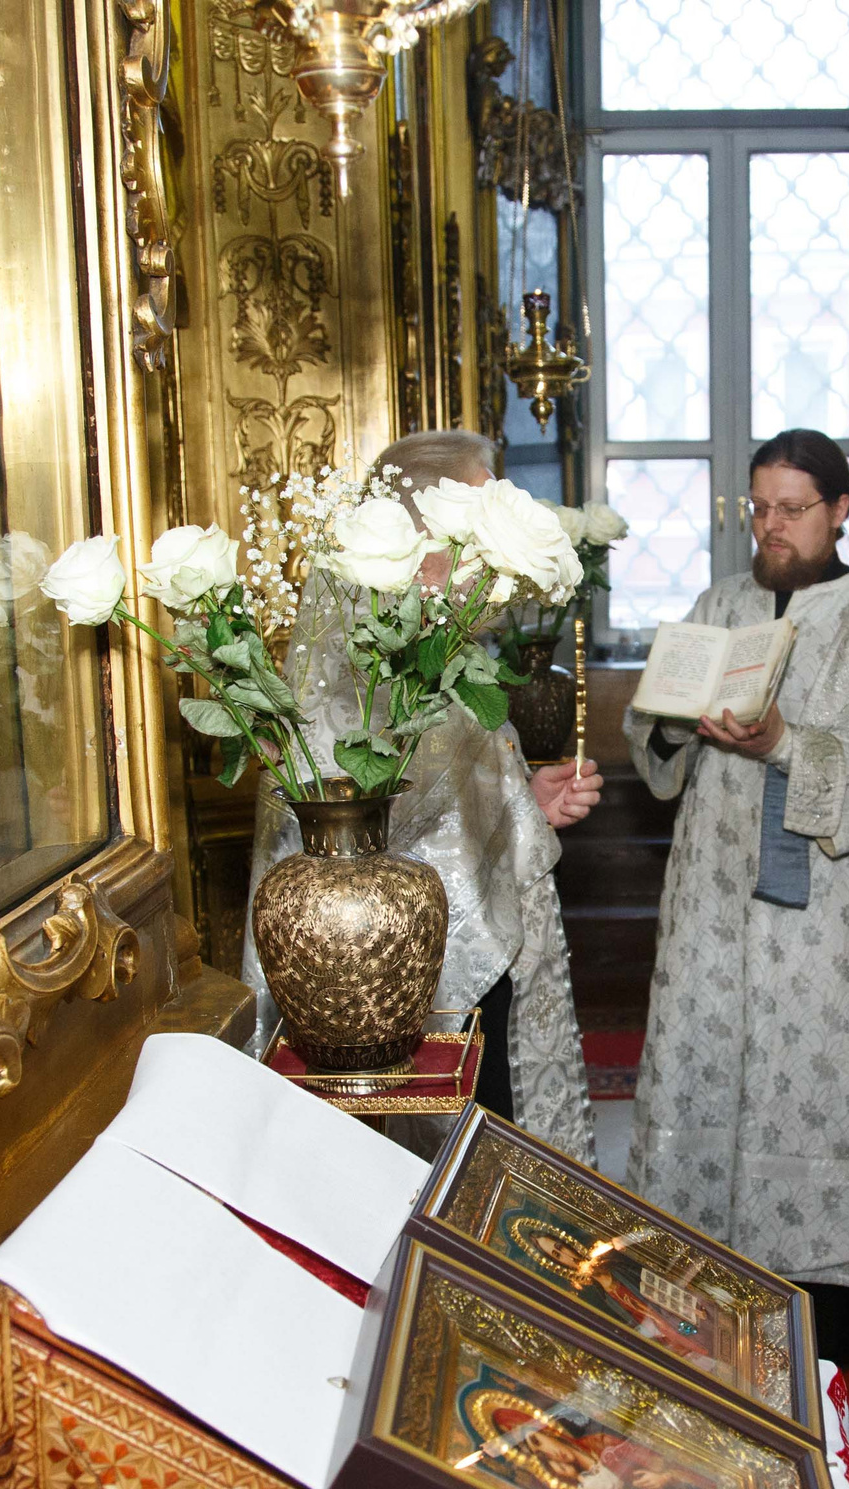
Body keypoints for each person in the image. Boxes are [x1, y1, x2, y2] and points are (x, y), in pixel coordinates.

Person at [622, 429, 849, 1369]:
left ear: (840, 511)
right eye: (759, 507)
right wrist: (672, 719)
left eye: (792, 509)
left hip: (826, 924)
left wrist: (782, 746)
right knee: (703, 1062)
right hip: (711, 904)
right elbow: (656, 737)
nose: (771, 525)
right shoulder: (720, 602)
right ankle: (698, 1273)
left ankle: (825, 1298)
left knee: (822, 1091)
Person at [244, 430, 601, 1154]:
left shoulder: (448, 647)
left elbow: (457, 798)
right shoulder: (353, 663)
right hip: (381, 993)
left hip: (475, 964)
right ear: (418, 531)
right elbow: (365, 823)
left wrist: (528, 797)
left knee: (483, 1157)